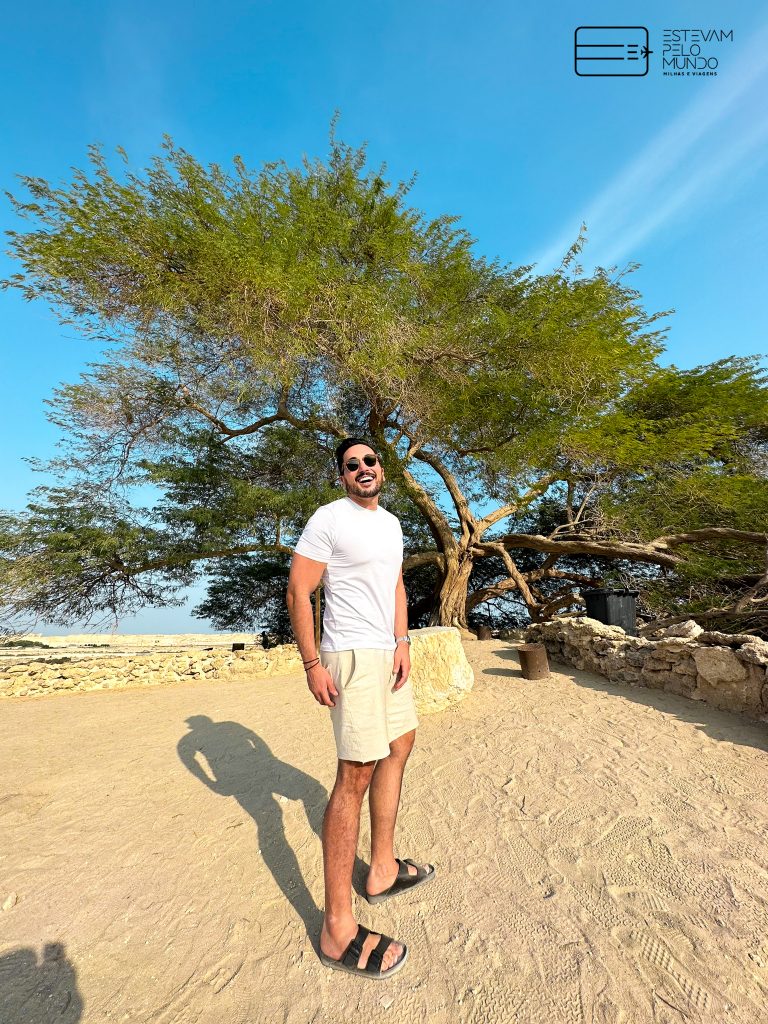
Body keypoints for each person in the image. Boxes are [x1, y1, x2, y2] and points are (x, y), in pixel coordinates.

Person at [286, 438, 435, 979]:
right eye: (352, 465)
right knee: (355, 773)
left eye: (369, 461)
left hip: (385, 653)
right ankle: (337, 928)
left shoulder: (391, 524)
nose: (362, 468)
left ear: (382, 470)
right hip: (348, 655)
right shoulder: (329, 518)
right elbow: (299, 590)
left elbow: (395, 585)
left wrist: (403, 640)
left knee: (401, 744)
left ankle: (382, 869)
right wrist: (311, 663)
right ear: (342, 476)